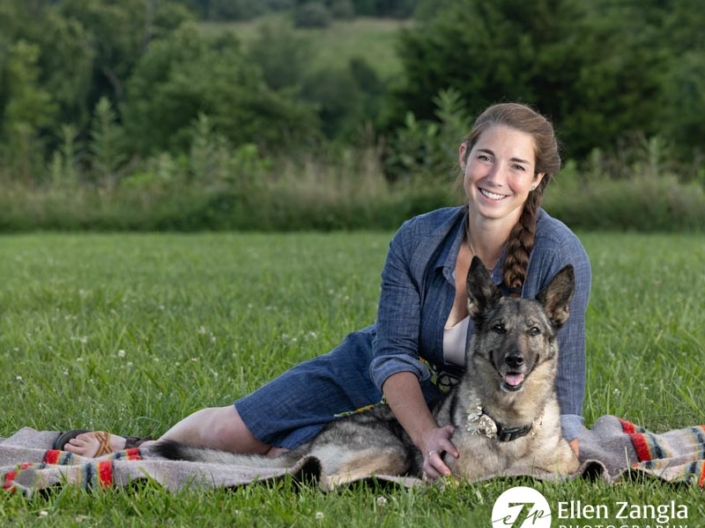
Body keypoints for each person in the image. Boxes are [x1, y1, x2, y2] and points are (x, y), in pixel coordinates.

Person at [58, 102, 591, 480]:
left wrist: (566, 438)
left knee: (308, 448)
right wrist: (428, 436)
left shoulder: (557, 253)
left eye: (517, 165)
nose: (496, 176)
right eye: (486, 157)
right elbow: (393, 353)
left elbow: (560, 369)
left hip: (479, 400)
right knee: (236, 430)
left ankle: (291, 449)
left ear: (537, 179)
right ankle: (136, 449)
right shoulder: (417, 238)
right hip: (389, 370)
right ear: (463, 157)